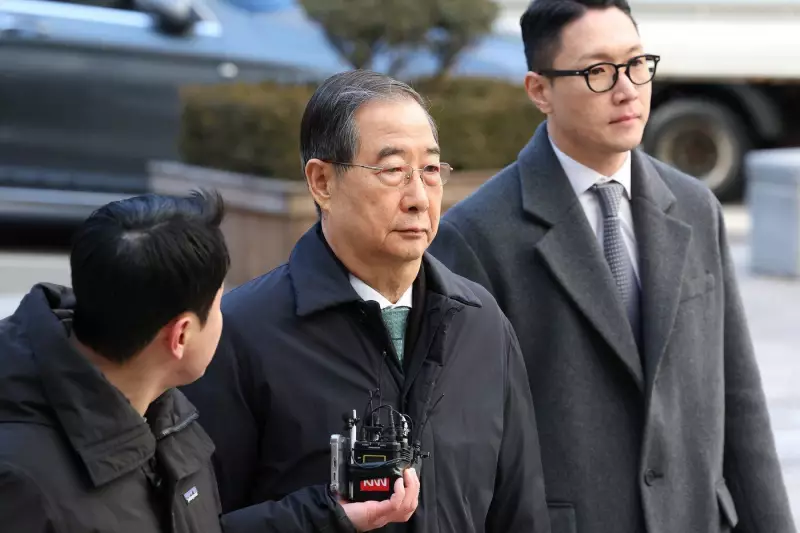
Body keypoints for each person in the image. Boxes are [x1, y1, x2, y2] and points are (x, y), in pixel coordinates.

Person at [428, 1, 798, 533]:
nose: (627, 89)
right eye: (598, 71)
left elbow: (739, 399)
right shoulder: (477, 236)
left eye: (636, 63)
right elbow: (462, 445)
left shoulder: (695, 206)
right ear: (539, 90)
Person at [180, 69, 551, 533]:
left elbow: (520, 512)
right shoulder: (240, 334)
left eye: (430, 170)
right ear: (322, 182)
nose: (419, 198)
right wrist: (326, 517)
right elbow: (197, 523)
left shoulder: (482, 323)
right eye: (393, 171)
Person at [0, 190, 418, 533]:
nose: (225, 318)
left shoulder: (161, 409)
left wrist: (330, 515)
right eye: (218, 305)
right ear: (180, 336)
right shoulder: (23, 484)